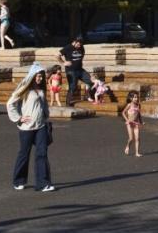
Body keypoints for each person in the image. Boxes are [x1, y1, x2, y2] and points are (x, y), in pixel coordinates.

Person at [6, 64, 54, 192]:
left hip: (41, 126)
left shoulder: (42, 89)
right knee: (24, 154)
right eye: (38, 76)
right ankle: (19, 180)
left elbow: (44, 105)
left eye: (41, 77)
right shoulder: (24, 89)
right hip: (27, 128)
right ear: (32, 76)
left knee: (42, 154)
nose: (40, 79)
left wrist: (46, 115)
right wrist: (18, 118)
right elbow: (10, 103)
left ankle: (43, 183)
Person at [59, 37, 93, 105]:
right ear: (74, 42)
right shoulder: (68, 47)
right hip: (71, 71)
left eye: (81, 44)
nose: (79, 46)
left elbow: (82, 55)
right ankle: (68, 103)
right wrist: (63, 62)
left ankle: (86, 95)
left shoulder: (81, 47)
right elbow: (57, 55)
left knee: (91, 80)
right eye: (78, 44)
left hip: (80, 69)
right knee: (73, 86)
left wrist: (78, 62)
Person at [123, 90, 143, 156]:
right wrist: (127, 120)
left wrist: (141, 122)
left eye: (137, 97)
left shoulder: (138, 105)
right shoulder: (129, 105)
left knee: (137, 138)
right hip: (130, 123)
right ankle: (128, 146)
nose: (136, 99)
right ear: (131, 98)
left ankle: (137, 153)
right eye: (134, 97)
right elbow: (123, 112)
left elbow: (139, 114)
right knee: (131, 138)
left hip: (136, 123)